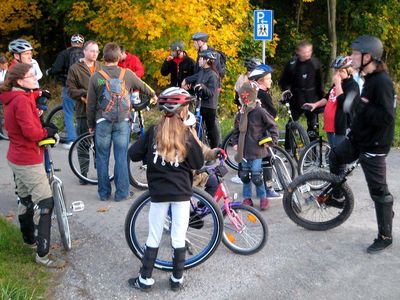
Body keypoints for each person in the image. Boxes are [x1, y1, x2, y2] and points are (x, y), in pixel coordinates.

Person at [128, 87, 204, 291]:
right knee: (178, 236)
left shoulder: (153, 131)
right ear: (182, 110)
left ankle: (144, 280)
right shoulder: (187, 134)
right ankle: (177, 280)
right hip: (182, 193)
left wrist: (150, 156)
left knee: (154, 236)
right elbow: (198, 162)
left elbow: (133, 154)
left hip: (158, 194)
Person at [328, 35, 396, 254]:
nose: (352, 57)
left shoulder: (382, 82)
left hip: (374, 145)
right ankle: (338, 196)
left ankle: (385, 236)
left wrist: (359, 106)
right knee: (336, 156)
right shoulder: (367, 78)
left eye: (356, 54)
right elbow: (354, 105)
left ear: (369, 56)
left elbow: (386, 117)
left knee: (379, 192)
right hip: (358, 138)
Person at [0, 63, 65, 268]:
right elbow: (32, 133)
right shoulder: (20, 100)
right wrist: (48, 132)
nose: (35, 77)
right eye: (31, 76)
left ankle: (28, 240)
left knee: (26, 199)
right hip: (28, 159)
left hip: (17, 156)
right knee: (46, 203)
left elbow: (31, 113)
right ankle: (43, 255)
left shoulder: (16, 96)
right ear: (20, 81)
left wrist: (39, 96)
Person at [87, 42, 156, 202]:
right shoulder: (128, 74)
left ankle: (104, 194)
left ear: (103, 57)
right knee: (121, 156)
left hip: (102, 121)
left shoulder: (96, 77)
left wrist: (91, 124)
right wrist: (153, 96)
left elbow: (90, 104)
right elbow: (145, 88)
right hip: (122, 121)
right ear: (119, 57)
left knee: (102, 158)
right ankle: (121, 193)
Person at [231, 82, 279, 210]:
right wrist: (235, 143)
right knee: (245, 176)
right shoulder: (240, 113)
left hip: (257, 150)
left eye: (246, 98)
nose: (245, 101)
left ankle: (263, 198)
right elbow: (236, 130)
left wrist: (272, 141)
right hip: (243, 150)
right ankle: (247, 198)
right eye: (243, 98)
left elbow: (273, 125)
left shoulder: (260, 111)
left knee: (257, 176)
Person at [303, 55, 359, 149]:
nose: (337, 74)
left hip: (342, 127)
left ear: (348, 72)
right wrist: (315, 104)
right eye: (336, 71)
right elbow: (327, 98)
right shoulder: (337, 84)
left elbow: (343, 104)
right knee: (334, 153)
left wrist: (337, 84)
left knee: (340, 156)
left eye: (341, 71)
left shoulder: (353, 86)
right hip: (330, 126)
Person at [66, 40, 101, 184]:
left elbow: (105, 84)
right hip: (83, 112)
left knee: (100, 145)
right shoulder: (75, 69)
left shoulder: (101, 67)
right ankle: (83, 175)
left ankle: (101, 173)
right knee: (83, 144)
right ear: (84, 51)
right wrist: (86, 93)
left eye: (97, 51)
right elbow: (70, 90)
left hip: (100, 112)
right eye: (92, 51)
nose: (95, 54)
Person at [279, 41, 324, 141]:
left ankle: (312, 149)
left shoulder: (315, 64)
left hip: (311, 99)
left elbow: (320, 82)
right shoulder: (292, 64)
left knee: (313, 126)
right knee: (290, 124)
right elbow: (284, 81)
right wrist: (287, 91)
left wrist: (321, 100)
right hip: (296, 99)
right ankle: (289, 148)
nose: (306, 54)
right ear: (298, 52)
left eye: (309, 52)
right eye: (304, 52)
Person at [47, 33, 85, 149]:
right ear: (82, 44)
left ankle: (72, 140)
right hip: (84, 87)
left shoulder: (65, 53)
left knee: (68, 113)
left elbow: (57, 68)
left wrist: (50, 72)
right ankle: (85, 138)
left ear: (71, 43)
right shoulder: (87, 53)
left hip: (69, 87)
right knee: (84, 113)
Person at [182, 50, 220, 149]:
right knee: (196, 127)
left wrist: (203, 86)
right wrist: (186, 81)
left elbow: (211, 93)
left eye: (200, 59)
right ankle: (198, 149)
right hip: (200, 104)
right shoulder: (202, 71)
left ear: (206, 60)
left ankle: (214, 151)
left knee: (211, 130)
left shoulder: (213, 75)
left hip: (209, 106)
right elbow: (195, 77)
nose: (198, 61)